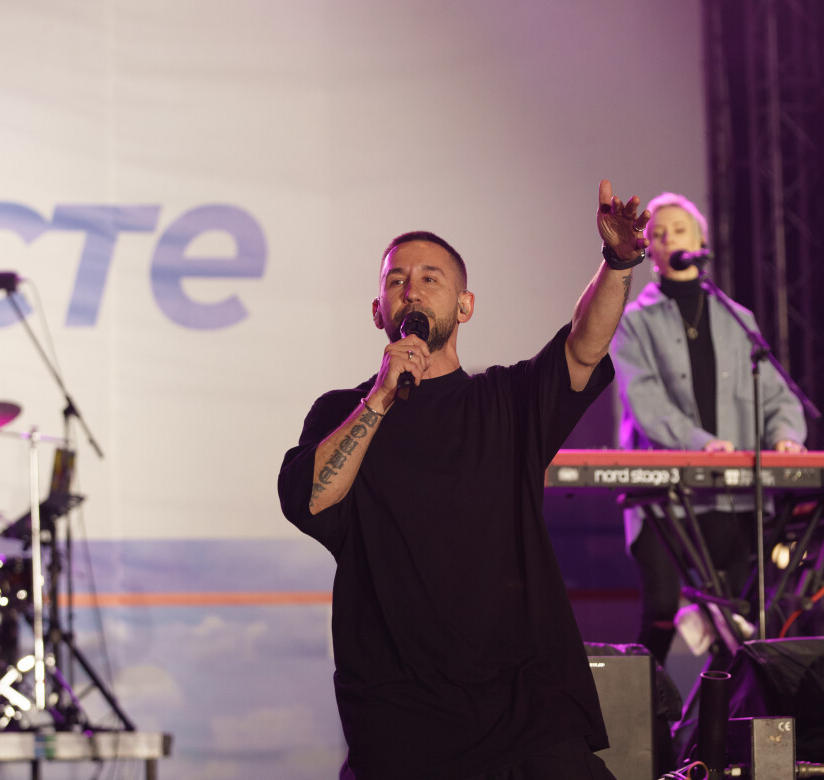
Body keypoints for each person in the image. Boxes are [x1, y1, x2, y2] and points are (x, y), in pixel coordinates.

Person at [277, 180, 650, 780]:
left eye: (431, 277)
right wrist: (378, 400)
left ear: (465, 305)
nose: (411, 289)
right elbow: (312, 500)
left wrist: (618, 262)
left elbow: (584, 347)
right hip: (402, 720)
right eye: (396, 280)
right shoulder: (340, 412)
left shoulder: (505, 399)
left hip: (524, 708)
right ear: (377, 311)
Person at [611, 192, 807, 665]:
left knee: (738, 617)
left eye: (679, 230)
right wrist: (700, 444)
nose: (668, 239)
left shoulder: (738, 319)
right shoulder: (633, 322)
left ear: (699, 240)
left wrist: (786, 435)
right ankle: (652, 708)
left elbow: (778, 395)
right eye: (658, 234)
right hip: (663, 496)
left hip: (729, 495)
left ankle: (722, 707)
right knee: (662, 610)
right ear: (650, 250)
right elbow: (645, 401)